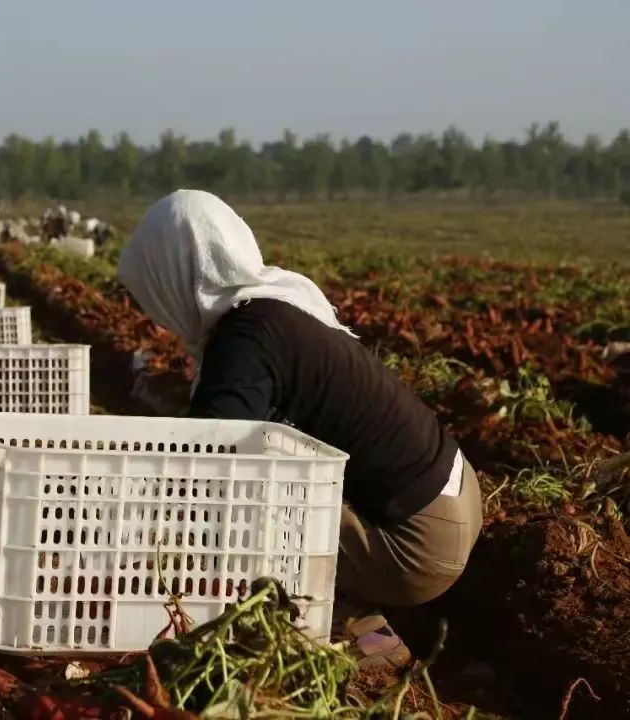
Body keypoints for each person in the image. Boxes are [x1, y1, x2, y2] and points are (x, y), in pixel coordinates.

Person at [117, 190, 482, 670]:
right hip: (456, 498)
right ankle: (355, 618)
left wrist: (129, 527)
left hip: (419, 545)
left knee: (245, 516)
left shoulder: (243, 342)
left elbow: (207, 475)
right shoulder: (274, 308)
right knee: (267, 479)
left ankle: (355, 636)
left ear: (176, 274)